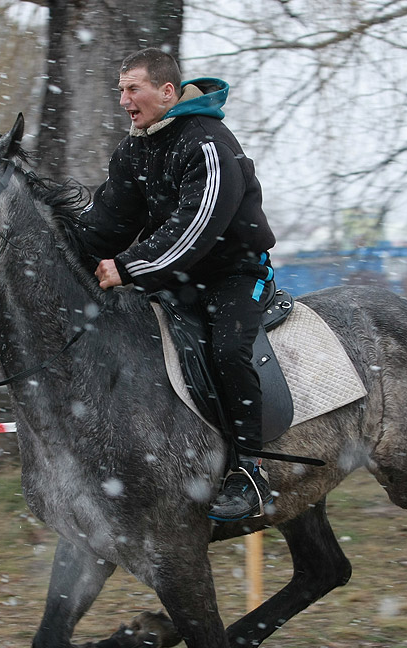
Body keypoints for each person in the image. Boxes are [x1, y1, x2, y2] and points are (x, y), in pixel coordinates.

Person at [78, 47, 277, 522]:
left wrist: (128, 267)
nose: (124, 100)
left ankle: (251, 472)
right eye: (120, 90)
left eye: (133, 89)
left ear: (167, 92)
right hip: (173, 279)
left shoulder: (208, 143)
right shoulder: (133, 150)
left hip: (235, 275)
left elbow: (195, 230)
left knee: (229, 350)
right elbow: (107, 224)